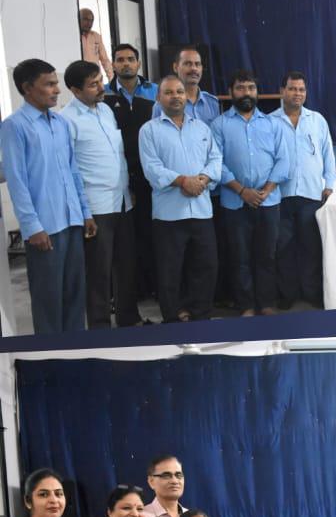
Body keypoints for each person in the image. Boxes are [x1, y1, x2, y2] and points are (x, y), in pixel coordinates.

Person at [0, 58, 95, 334]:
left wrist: (85, 212)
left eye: (56, 83)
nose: (57, 90)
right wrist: (32, 227)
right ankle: (49, 354)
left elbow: (73, 171)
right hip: (45, 227)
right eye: (50, 84)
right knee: (48, 299)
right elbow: (17, 181)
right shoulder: (15, 126)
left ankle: (75, 349)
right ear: (27, 88)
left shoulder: (61, 123)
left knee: (75, 295)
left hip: (71, 220)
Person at [61, 60, 143, 330]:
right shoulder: (67, 120)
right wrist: (84, 212)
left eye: (100, 81)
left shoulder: (106, 110)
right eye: (93, 84)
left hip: (122, 201)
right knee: (99, 270)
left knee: (126, 265)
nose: (100, 88)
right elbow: (69, 170)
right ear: (75, 90)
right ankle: (99, 327)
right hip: (96, 207)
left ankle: (129, 319)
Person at [139, 75, 222, 323]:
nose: (175, 96)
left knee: (206, 267)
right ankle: (172, 321)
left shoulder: (202, 128)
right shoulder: (149, 130)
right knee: (170, 271)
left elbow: (215, 159)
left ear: (186, 96)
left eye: (179, 92)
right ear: (158, 97)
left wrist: (202, 180)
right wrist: (183, 181)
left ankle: (201, 316)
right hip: (169, 215)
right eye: (169, 92)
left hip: (201, 211)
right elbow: (152, 168)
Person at [211, 71, 290, 316]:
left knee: (267, 256)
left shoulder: (272, 124)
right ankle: (245, 305)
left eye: (251, 88)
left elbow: (284, 161)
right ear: (231, 92)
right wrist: (242, 191)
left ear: (257, 92)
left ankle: (266, 303)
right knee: (240, 257)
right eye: (241, 88)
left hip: (269, 202)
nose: (246, 93)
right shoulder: (219, 125)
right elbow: (216, 163)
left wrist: (266, 191)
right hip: (234, 203)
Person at [273, 71, 336, 309]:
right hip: (280, 195)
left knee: (311, 247)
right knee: (283, 248)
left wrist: (329, 185)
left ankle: (312, 294)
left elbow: (328, 154)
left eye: (301, 89)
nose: (297, 93)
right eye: (292, 89)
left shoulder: (317, 120)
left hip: (311, 194)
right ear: (282, 91)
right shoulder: (270, 122)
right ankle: (287, 295)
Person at [103, 43, 158, 303]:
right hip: (119, 178)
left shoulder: (155, 91)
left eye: (130, 59)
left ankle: (153, 287)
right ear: (113, 64)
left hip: (151, 175)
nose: (125, 63)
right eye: (120, 59)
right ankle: (128, 293)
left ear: (138, 63)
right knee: (125, 240)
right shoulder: (103, 95)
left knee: (150, 233)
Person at [152, 46, 220, 125]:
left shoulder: (212, 102)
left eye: (197, 64)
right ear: (175, 67)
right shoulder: (162, 105)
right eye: (188, 64)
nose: (194, 68)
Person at [79, 7, 113, 80]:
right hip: (81, 77)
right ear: (78, 19)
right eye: (85, 19)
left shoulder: (96, 36)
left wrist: (111, 78)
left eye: (91, 20)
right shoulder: (74, 37)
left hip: (96, 77)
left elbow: (105, 59)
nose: (89, 23)